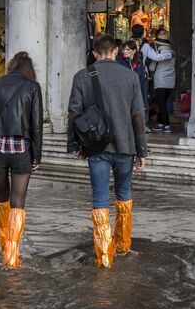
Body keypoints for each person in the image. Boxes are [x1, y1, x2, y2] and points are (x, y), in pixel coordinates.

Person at [67, 34, 147, 269]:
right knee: (124, 193)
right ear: (116, 51)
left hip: (96, 147)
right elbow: (138, 115)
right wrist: (141, 150)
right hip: (126, 146)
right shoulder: (130, 76)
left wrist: (74, 145)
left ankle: (103, 255)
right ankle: (123, 245)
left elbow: (73, 113)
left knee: (100, 197)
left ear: (94, 53)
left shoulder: (82, 76)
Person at [0, 52, 43, 269]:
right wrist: (37, 155)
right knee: (18, 202)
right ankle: (12, 255)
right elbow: (36, 126)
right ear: (29, 69)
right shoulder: (33, 87)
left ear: (11, 66)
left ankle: (3, 243)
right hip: (22, 148)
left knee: (1, 198)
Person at [150, 29, 176, 133]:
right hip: (171, 79)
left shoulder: (158, 52)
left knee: (161, 104)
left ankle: (166, 125)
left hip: (160, 79)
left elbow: (152, 67)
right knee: (164, 102)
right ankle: (160, 123)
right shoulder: (173, 52)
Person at [117, 40, 148, 127]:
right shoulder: (119, 61)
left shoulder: (139, 63)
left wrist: (144, 101)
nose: (124, 52)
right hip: (123, 93)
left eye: (128, 49)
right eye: (124, 49)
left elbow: (142, 82)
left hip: (135, 92)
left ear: (134, 51)